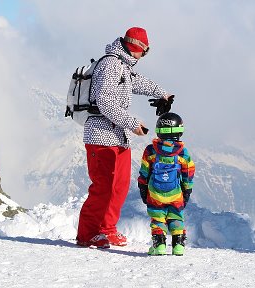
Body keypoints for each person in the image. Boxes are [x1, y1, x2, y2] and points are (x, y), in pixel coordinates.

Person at [76, 27, 174, 249]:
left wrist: (162, 93)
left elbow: (138, 83)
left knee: (118, 187)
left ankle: (107, 230)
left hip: (118, 137)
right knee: (103, 187)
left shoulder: (124, 65)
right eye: (145, 51)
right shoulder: (111, 64)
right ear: (136, 47)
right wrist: (132, 124)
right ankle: (87, 234)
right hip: (100, 136)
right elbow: (104, 101)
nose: (144, 56)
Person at [138, 112, 195, 255]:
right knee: (175, 216)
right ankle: (178, 246)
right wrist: (187, 190)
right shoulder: (182, 153)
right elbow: (188, 173)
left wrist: (142, 187)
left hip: (155, 193)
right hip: (175, 193)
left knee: (158, 218)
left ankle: (159, 246)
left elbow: (144, 171)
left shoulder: (150, 150)